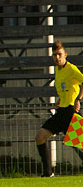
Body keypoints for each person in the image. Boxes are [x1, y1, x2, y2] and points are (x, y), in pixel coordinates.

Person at [34, 40, 83, 177]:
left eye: (59, 54)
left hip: (70, 113)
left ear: (65, 54)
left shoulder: (72, 69)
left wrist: (78, 99)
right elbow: (66, 88)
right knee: (40, 137)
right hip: (61, 112)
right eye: (55, 55)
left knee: (79, 142)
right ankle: (48, 173)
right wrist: (61, 98)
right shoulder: (57, 69)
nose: (57, 58)